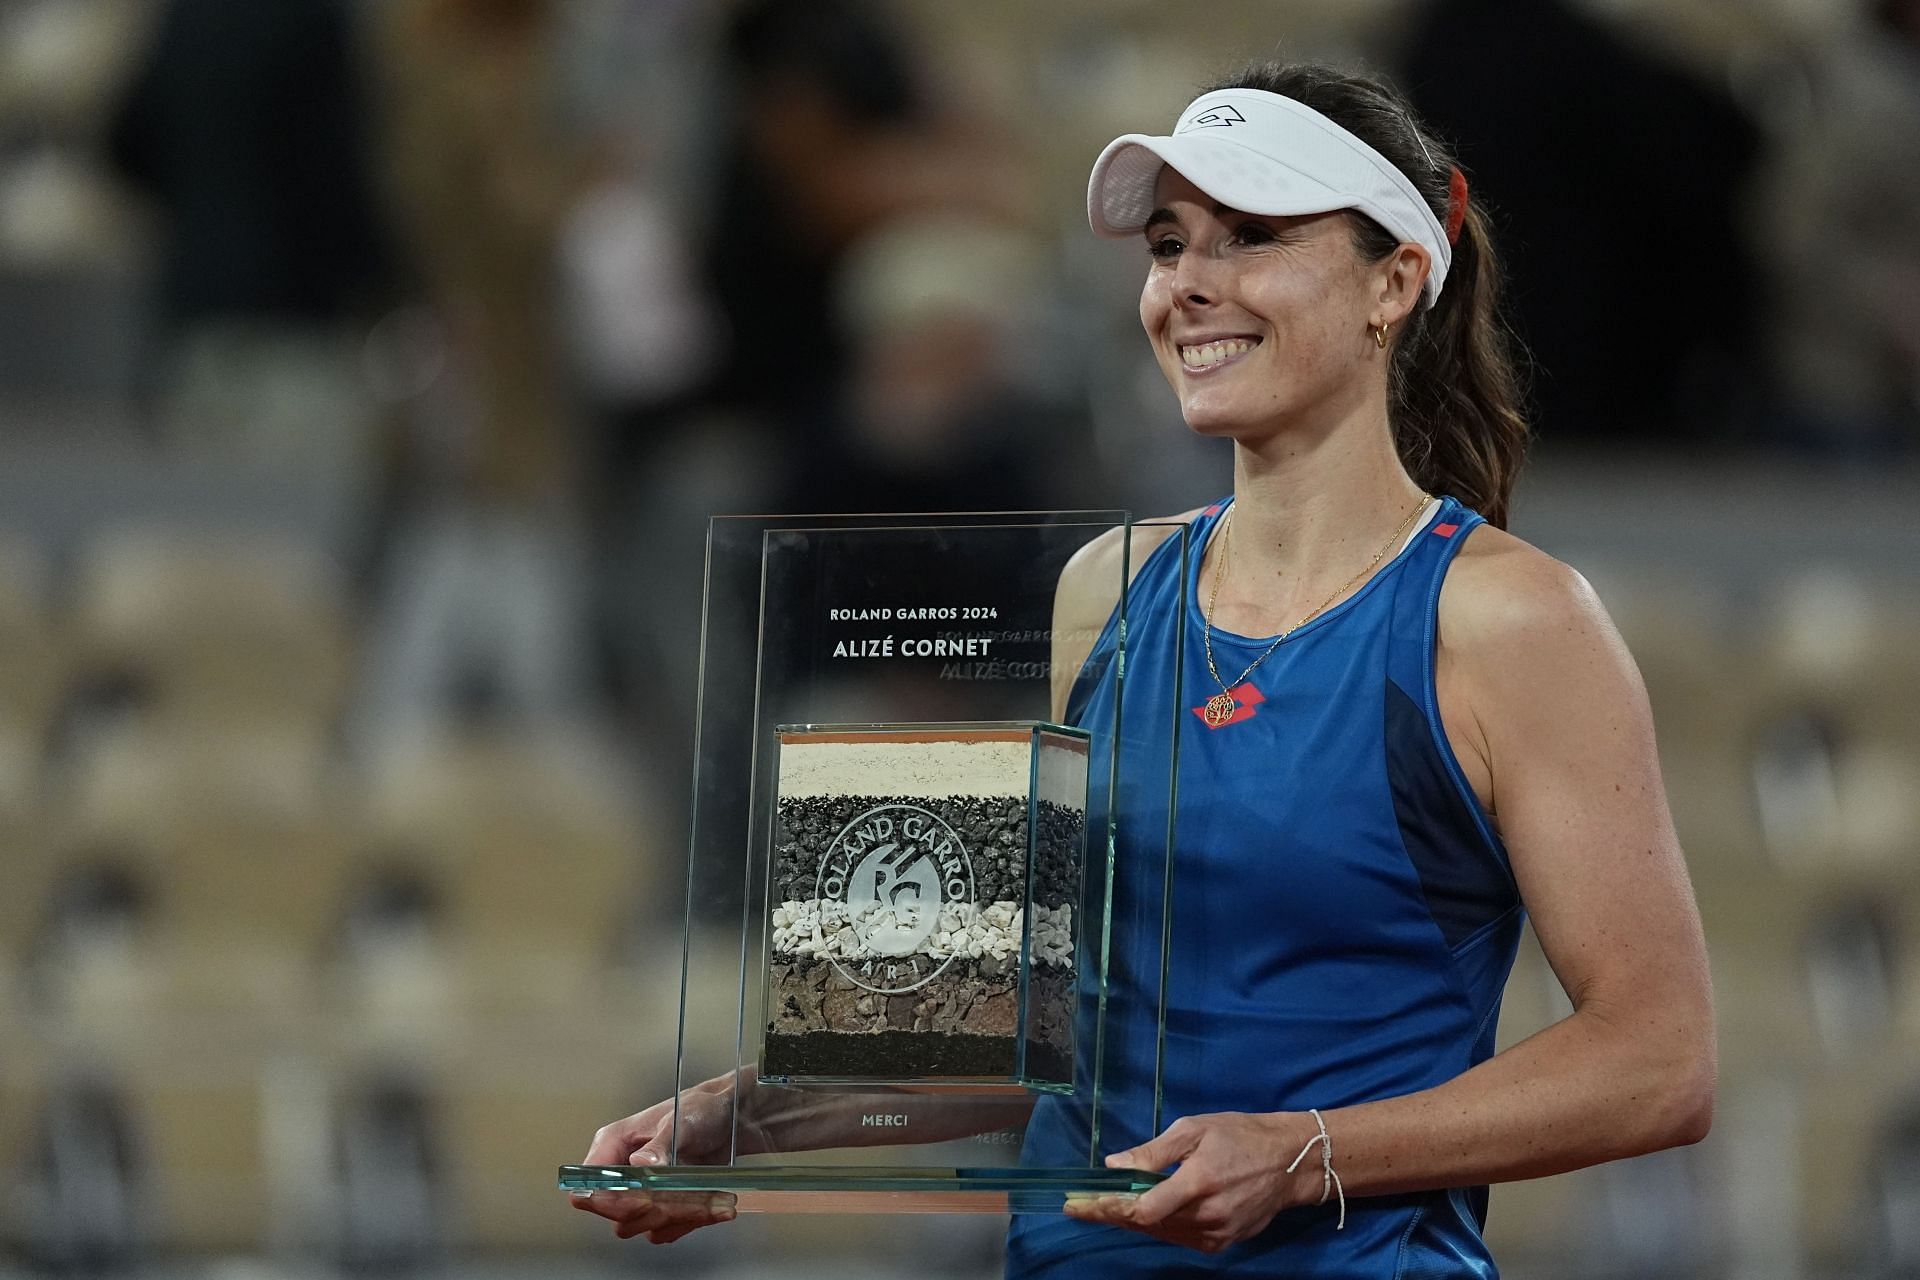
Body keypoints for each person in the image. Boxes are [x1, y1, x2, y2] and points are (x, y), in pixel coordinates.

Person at [571, 61, 1716, 1275]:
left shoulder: (1513, 618)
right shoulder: (1100, 589)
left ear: (1395, 280)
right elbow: (1023, 1036)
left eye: (1252, 236)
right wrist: (749, 1117)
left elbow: (1659, 1057)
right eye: (1170, 245)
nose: (1191, 286)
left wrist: (1309, 1150)